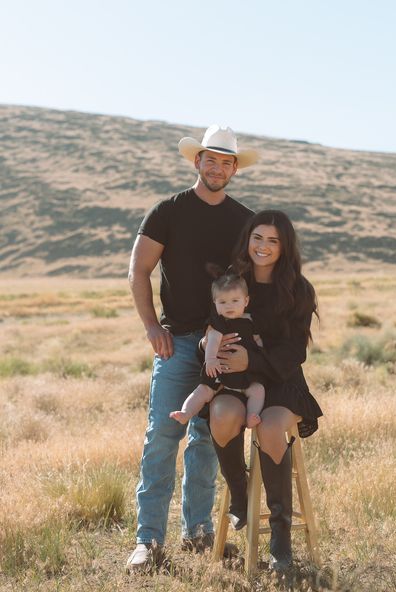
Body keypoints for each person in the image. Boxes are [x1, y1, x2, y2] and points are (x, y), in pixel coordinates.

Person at [126, 125, 259, 572]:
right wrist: (151, 327)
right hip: (177, 342)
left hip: (225, 344)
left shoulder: (245, 219)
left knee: (206, 438)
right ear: (196, 161)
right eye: (211, 159)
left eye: (227, 162)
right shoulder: (168, 211)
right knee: (163, 437)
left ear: (235, 169)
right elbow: (138, 270)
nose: (218, 167)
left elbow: (258, 282)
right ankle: (148, 541)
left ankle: (198, 530)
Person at [207, 210, 323, 570]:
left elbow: (294, 353)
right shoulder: (233, 281)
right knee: (223, 414)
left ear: (284, 246)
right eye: (258, 237)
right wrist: (213, 351)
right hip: (236, 381)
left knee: (271, 428)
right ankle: (241, 499)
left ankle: (280, 539)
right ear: (248, 239)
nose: (264, 246)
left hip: (282, 381)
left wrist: (251, 363)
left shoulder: (299, 290)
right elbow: (212, 326)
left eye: (273, 240)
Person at [169, 272, 265, 429]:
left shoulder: (250, 321)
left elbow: (257, 340)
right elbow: (212, 342)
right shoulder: (218, 324)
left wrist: (260, 353)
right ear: (215, 303)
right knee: (203, 391)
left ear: (246, 301)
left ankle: (251, 416)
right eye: (223, 302)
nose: (229, 306)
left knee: (258, 390)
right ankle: (186, 413)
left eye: (235, 300)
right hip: (219, 372)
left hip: (244, 374)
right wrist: (211, 359)